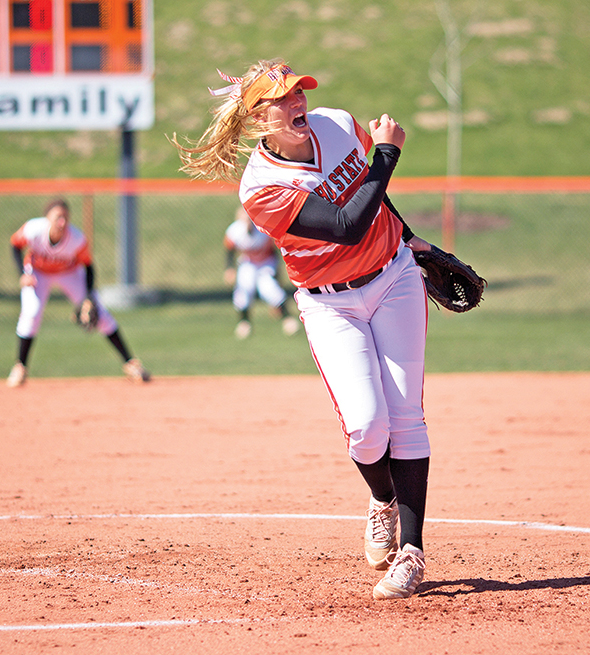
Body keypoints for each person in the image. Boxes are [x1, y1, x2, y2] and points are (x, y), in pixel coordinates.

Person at [175, 60, 432, 600]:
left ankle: (411, 552)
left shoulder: (338, 123)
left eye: (298, 91)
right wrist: (388, 153)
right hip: (330, 304)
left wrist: (411, 238)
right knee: (366, 426)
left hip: (394, 278)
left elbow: (374, 198)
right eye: (280, 98)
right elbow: (345, 225)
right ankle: (382, 499)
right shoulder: (261, 188)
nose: (296, 103)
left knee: (406, 413)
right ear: (257, 116)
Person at [6, 198, 151, 388]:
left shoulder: (76, 238)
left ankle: (131, 364)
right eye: (58, 216)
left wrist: (89, 297)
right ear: (47, 217)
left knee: (101, 315)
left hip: (69, 273)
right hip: (38, 273)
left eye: (65, 217)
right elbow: (15, 245)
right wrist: (22, 274)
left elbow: (89, 267)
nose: (62, 221)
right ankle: (20, 367)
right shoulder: (33, 229)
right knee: (31, 313)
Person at [224, 205, 300, 339]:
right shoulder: (234, 231)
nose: (247, 222)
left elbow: (274, 253)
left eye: (248, 219)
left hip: (265, 263)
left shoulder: (263, 230)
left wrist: (277, 275)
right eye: (244, 220)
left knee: (269, 289)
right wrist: (229, 268)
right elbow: (229, 250)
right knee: (244, 287)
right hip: (248, 262)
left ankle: (287, 319)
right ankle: (244, 322)